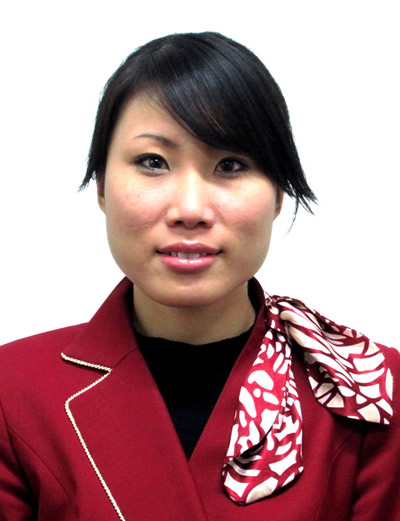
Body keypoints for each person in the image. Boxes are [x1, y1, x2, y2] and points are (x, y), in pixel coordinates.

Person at [0, 31, 399, 521]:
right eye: (152, 162)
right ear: (102, 187)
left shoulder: (366, 389)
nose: (190, 209)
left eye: (231, 165)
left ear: (279, 194)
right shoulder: (13, 391)